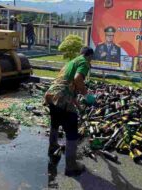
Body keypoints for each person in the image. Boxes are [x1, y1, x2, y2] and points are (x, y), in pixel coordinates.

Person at [44, 47, 95, 177]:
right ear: (89, 56)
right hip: (62, 98)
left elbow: (68, 83)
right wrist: (86, 95)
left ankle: (53, 147)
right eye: (92, 58)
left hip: (51, 95)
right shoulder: (84, 62)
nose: (91, 61)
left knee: (55, 122)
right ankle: (71, 166)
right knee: (72, 130)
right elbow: (78, 79)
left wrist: (77, 104)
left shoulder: (71, 62)